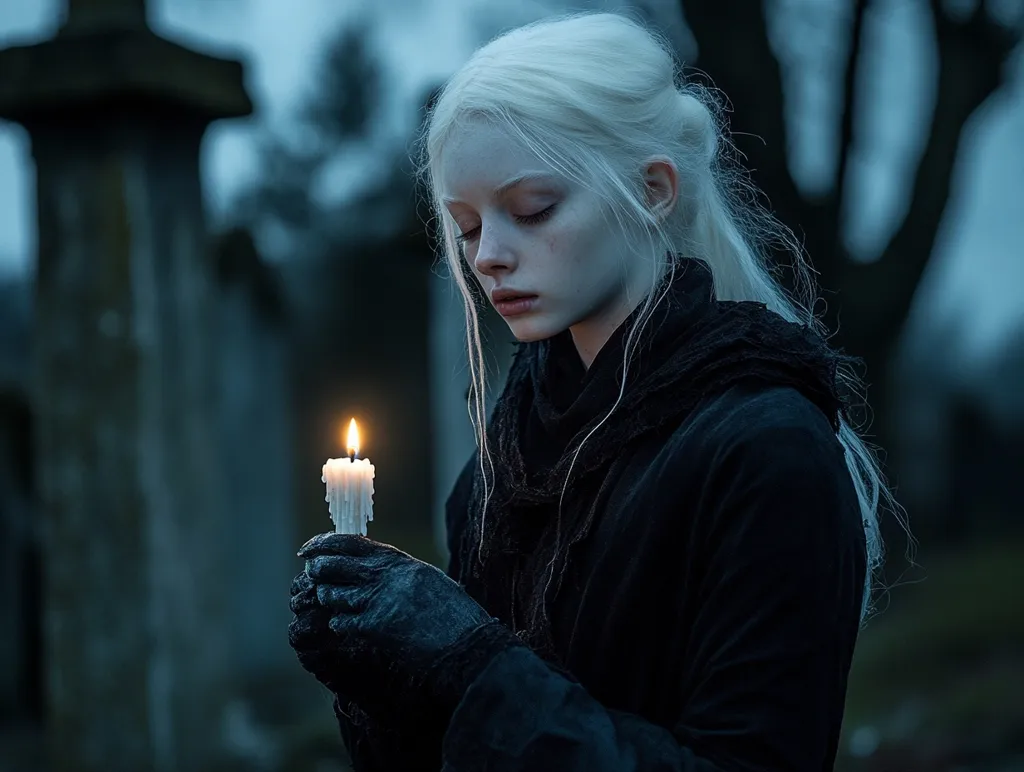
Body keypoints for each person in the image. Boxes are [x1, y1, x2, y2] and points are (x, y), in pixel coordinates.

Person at [288, 10, 903, 771]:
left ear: (651, 190)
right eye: (469, 227)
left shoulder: (767, 451)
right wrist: (376, 678)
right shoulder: (497, 465)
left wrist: (470, 663)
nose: (490, 257)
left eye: (531, 210)